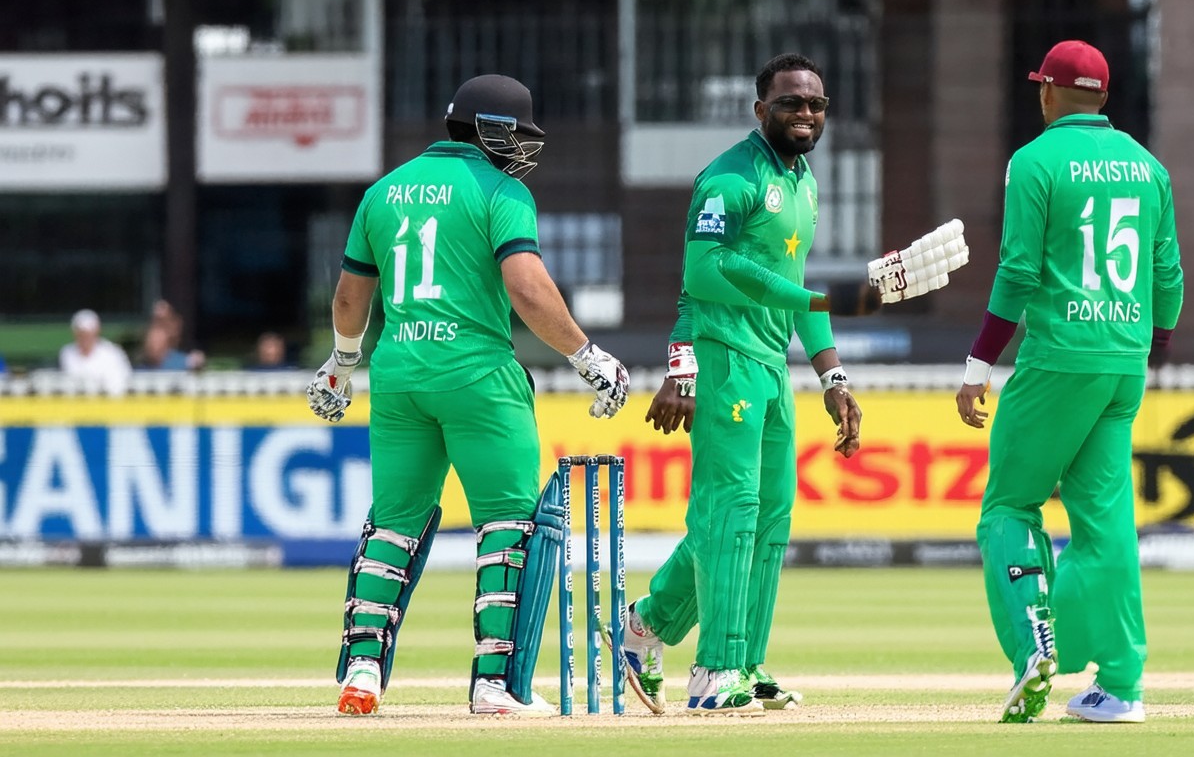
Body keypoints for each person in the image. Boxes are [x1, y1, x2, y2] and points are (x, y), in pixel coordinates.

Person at [305, 73, 630, 718]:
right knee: (508, 527)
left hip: (398, 376)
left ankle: (363, 671)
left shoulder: (383, 191)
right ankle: (494, 686)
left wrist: (341, 364)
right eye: (518, 133)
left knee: (393, 523)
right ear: (489, 130)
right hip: (479, 376)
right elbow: (527, 288)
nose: (526, 148)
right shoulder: (501, 191)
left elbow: (348, 297)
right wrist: (586, 355)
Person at [954, 40, 1183, 724]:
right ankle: (1121, 685)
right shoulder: (1148, 167)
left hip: (1059, 358)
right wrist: (1153, 349)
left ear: (1047, 92)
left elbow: (1019, 272)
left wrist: (978, 365)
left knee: (1009, 507)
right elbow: (1168, 274)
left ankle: (1035, 647)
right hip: (1124, 360)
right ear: (1103, 97)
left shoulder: (1034, 161)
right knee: (1105, 523)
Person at [627, 53, 862, 716]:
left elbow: (797, 294)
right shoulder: (730, 178)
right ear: (761, 110)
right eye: (791, 103)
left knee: (769, 519)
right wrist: (681, 370)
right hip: (724, 358)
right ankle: (714, 672)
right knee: (729, 514)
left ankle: (701, 646)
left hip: (771, 367)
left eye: (816, 104)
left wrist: (833, 376)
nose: (806, 114)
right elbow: (702, 275)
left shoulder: (804, 183)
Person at [59, 309, 132, 395]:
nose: (85, 337)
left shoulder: (113, 353)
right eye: (81, 333)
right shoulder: (67, 353)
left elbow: (122, 383)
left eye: (89, 332)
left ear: (97, 330)